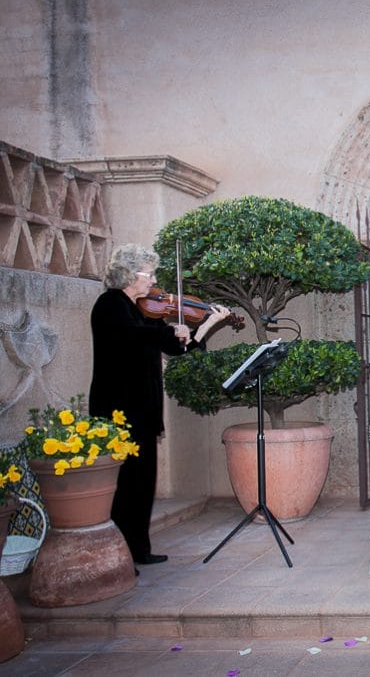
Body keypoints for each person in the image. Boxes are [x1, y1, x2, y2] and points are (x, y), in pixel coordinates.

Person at [89, 243, 230, 568]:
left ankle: (139, 549)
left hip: (144, 410)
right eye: (148, 273)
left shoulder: (142, 309)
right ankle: (120, 556)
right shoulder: (110, 305)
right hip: (118, 410)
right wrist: (169, 331)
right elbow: (132, 337)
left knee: (142, 482)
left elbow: (178, 348)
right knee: (125, 485)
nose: (153, 280)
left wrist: (206, 325)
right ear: (128, 274)